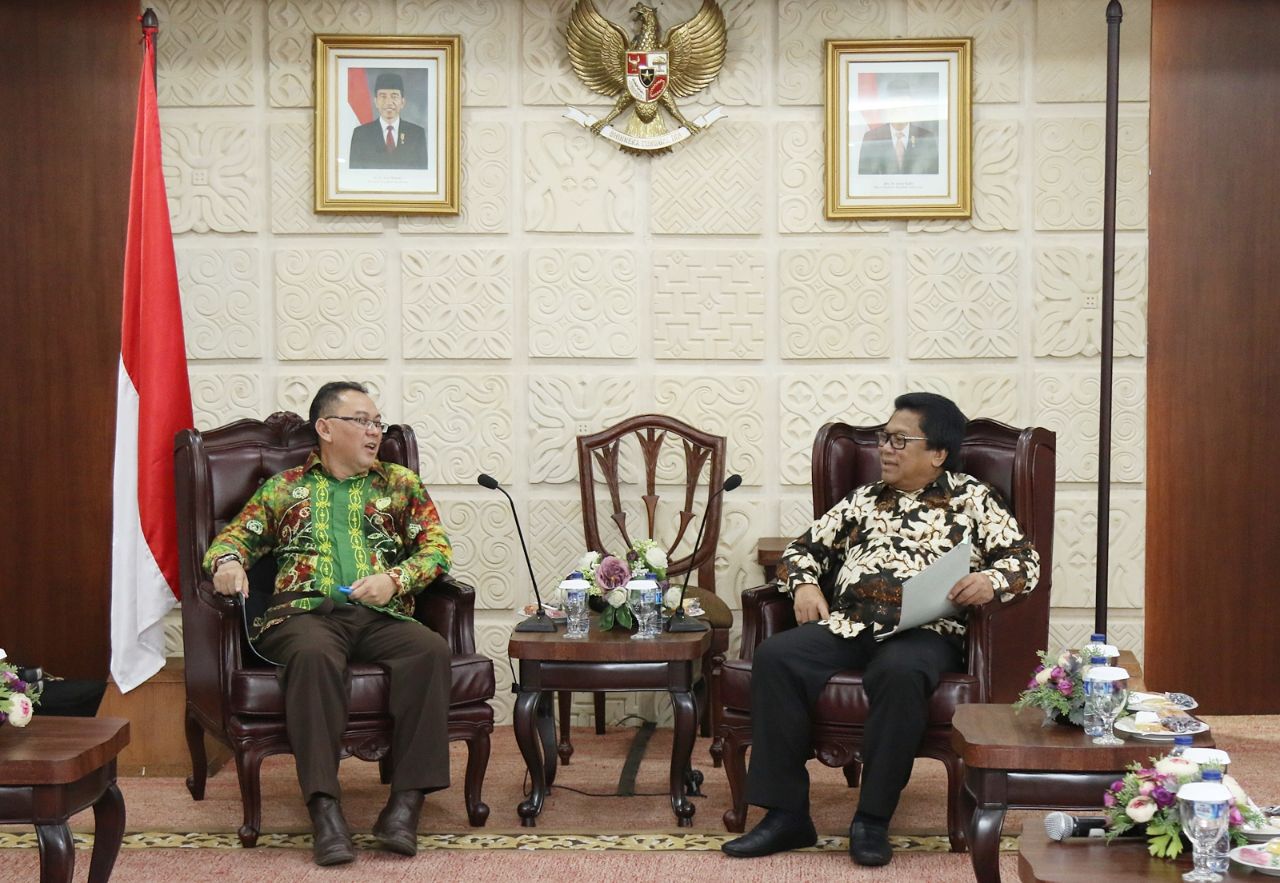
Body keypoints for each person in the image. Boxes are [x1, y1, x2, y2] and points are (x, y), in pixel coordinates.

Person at [721, 392, 1039, 866]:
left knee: (900, 672)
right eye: (884, 439)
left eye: (899, 440)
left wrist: (989, 581)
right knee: (777, 655)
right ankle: (786, 816)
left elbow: (1024, 561)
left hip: (926, 631)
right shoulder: (863, 499)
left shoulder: (973, 498)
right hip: (851, 624)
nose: (885, 449)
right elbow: (800, 551)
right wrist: (804, 585)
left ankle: (871, 819)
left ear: (938, 453)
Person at [204, 381, 452, 866]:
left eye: (378, 423)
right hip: (303, 614)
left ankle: (405, 806)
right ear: (325, 428)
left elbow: (437, 549)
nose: (374, 432)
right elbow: (231, 540)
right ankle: (325, 810)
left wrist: (395, 580)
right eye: (362, 421)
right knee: (315, 655)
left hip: (379, 613)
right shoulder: (284, 488)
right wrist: (228, 564)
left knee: (430, 650)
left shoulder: (399, 484)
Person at [857, 77, 939, 175]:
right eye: (894, 105)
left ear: (911, 107)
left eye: (904, 105)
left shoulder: (926, 138)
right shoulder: (872, 138)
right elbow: (864, 177)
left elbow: (934, 177)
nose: (899, 110)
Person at [348, 73, 429, 170]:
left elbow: (422, 173)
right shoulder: (361, 134)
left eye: (394, 96)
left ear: (402, 102)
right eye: (383, 96)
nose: (389, 102)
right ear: (376, 102)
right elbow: (355, 173)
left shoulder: (417, 134)